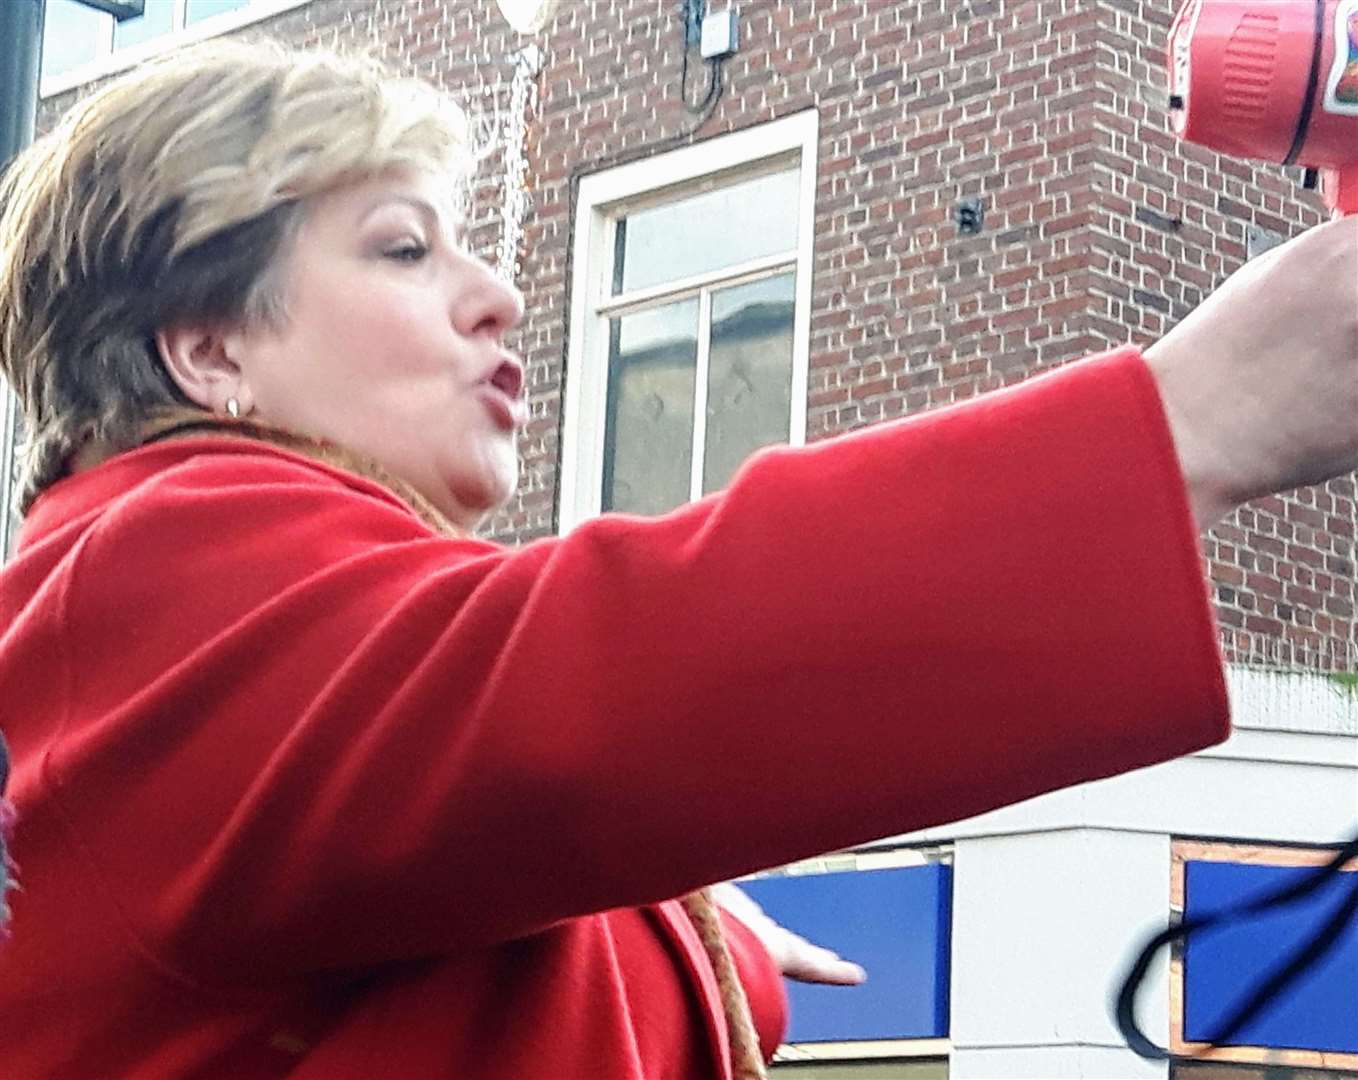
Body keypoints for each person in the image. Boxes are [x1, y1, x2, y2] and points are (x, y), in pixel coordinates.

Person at [0, 39, 1354, 1080]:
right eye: (402, 249)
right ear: (209, 349)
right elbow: (579, 695)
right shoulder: (147, 570)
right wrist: (1189, 421)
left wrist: (660, 926)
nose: (497, 294)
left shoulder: (284, 694)